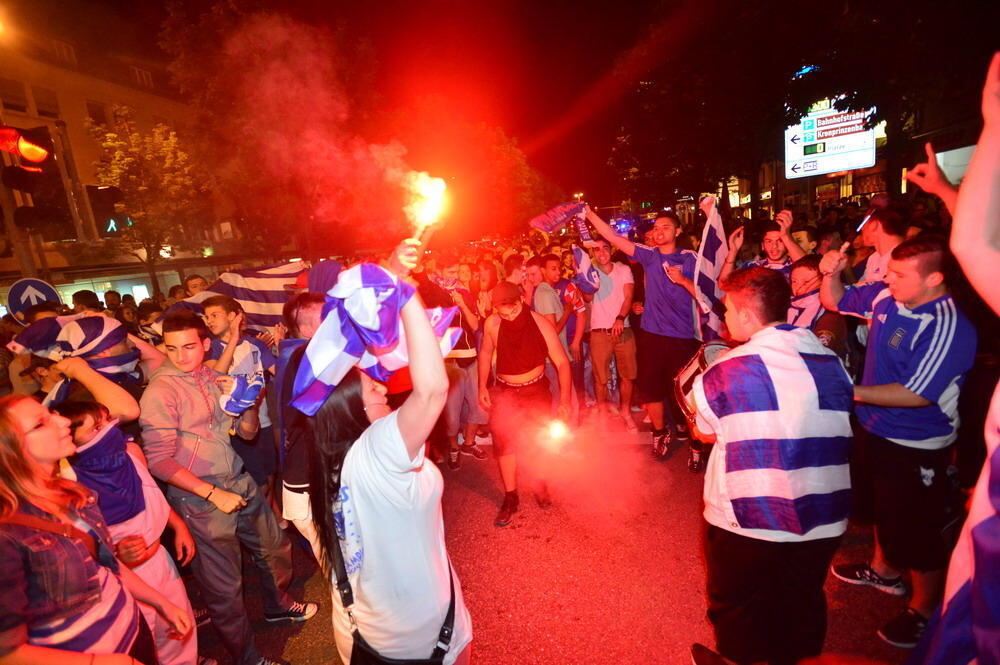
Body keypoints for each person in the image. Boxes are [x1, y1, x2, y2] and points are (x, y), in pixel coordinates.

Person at [299, 240, 473, 664]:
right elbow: (432, 391)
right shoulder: (374, 451)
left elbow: (351, 338)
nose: (380, 385)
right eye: (370, 386)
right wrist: (407, 294)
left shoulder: (335, 455)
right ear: (348, 407)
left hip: (370, 628)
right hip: (424, 633)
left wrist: (390, 279)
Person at [689, 267, 854, 665]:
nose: (724, 317)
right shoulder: (831, 359)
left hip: (750, 518)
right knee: (801, 600)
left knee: (736, 604)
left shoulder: (724, 369)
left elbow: (703, 434)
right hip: (824, 512)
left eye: (728, 309)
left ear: (747, 315)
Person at [820, 235, 977, 648]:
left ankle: (925, 610)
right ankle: (884, 572)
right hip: (874, 427)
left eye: (899, 274)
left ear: (935, 278)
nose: (887, 279)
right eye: (888, 271)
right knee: (881, 510)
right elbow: (835, 300)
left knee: (917, 530)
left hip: (917, 441)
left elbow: (917, 393)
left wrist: (849, 391)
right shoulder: (887, 299)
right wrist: (832, 272)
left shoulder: (948, 324)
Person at [139, 310, 315, 665]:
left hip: (237, 479)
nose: (180, 356)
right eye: (172, 348)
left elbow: (246, 433)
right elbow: (158, 461)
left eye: (189, 347)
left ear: (206, 345)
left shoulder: (209, 376)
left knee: (274, 545)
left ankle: (277, 606)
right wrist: (211, 493)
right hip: (200, 496)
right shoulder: (161, 390)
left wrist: (249, 402)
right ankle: (247, 658)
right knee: (225, 587)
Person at [0, 394, 192, 665]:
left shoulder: (73, 495)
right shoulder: (7, 533)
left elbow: (104, 566)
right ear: (10, 450)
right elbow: (7, 652)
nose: (63, 421)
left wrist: (160, 602)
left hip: (133, 634)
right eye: (41, 423)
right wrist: (99, 661)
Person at [55, 400, 205, 665]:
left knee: (179, 629)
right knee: (143, 642)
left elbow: (149, 493)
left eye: (106, 421)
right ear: (70, 441)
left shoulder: (131, 453)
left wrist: (177, 525)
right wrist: (115, 553)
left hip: (158, 558)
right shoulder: (69, 483)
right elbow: (80, 547)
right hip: (124, 579)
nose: (109, 430)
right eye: (96, 429)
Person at [585, 206, 700, 458]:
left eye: (665, 227)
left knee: (684, 392)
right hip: (651, 335)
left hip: (682, 337)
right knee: (651, 389)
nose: (659, 231)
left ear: (678, 231)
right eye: (656, 227)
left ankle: (695, 440)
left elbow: (705, 296)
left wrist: (682, 280)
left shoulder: (690, 258)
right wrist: (589, 214)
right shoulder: (650, 255)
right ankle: (660, 434)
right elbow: (615, 238)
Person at [479, 281, 571, 527]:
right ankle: (511, 497)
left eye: (512, 310)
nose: (508, 315)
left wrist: (565, 400)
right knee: (505, 445)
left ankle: (540, 483)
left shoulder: (540, 323)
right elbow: (486, 353)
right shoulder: (492, 323)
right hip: (505, 392)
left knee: (537, 440)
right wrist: (481, 386)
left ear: (520, 301)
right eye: (502, 311)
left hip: (535, 391)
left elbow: (562, 363)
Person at [587, 238, 638, 431]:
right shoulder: (590, 272)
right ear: (593, 253)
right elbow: (587, 298)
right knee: (601, 377)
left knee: (628, 376)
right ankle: (602, 411)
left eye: (605, 248)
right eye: (597, 250)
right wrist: (585, 279)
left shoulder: (623, 269)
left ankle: (625, 411)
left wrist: (620, 318)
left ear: (611, 250)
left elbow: (628, 296)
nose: (601, 253)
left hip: (623, 328)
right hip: (599, 331)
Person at [720, 210, 806, 282]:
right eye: (769, 241)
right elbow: (724, 282)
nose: (774, 246)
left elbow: (807, 266)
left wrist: (786, 236)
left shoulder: (795, 266)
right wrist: (733, 252)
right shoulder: (752, 267)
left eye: (780, 241)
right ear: (762, 246)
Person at [788, 255, 848, 358]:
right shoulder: (785, 306)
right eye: (794, 281)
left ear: (823, 282)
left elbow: (821, 354)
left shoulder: (831, 313)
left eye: (806, 282)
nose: (798, 287)